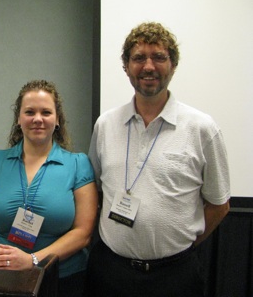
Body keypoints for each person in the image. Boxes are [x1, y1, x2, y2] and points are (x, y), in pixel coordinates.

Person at [85, 22, 230, 297]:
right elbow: (96, 191)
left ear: (173, 65)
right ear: (126, 66)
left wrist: (182, 246)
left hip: (175, 277)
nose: (148, 66)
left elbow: (219, 205)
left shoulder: (202, 128)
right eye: (139, 58)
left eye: (159, 57)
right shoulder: (105, 125)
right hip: (110, 272)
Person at [0, 80, 98, 297]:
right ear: (19, 119)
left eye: (46, 112)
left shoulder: (78, 164)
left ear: (57, 120)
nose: (37, 119)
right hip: (5, 279)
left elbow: (83, 233)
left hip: (63, 281)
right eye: (30, 112)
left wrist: (33, 260)